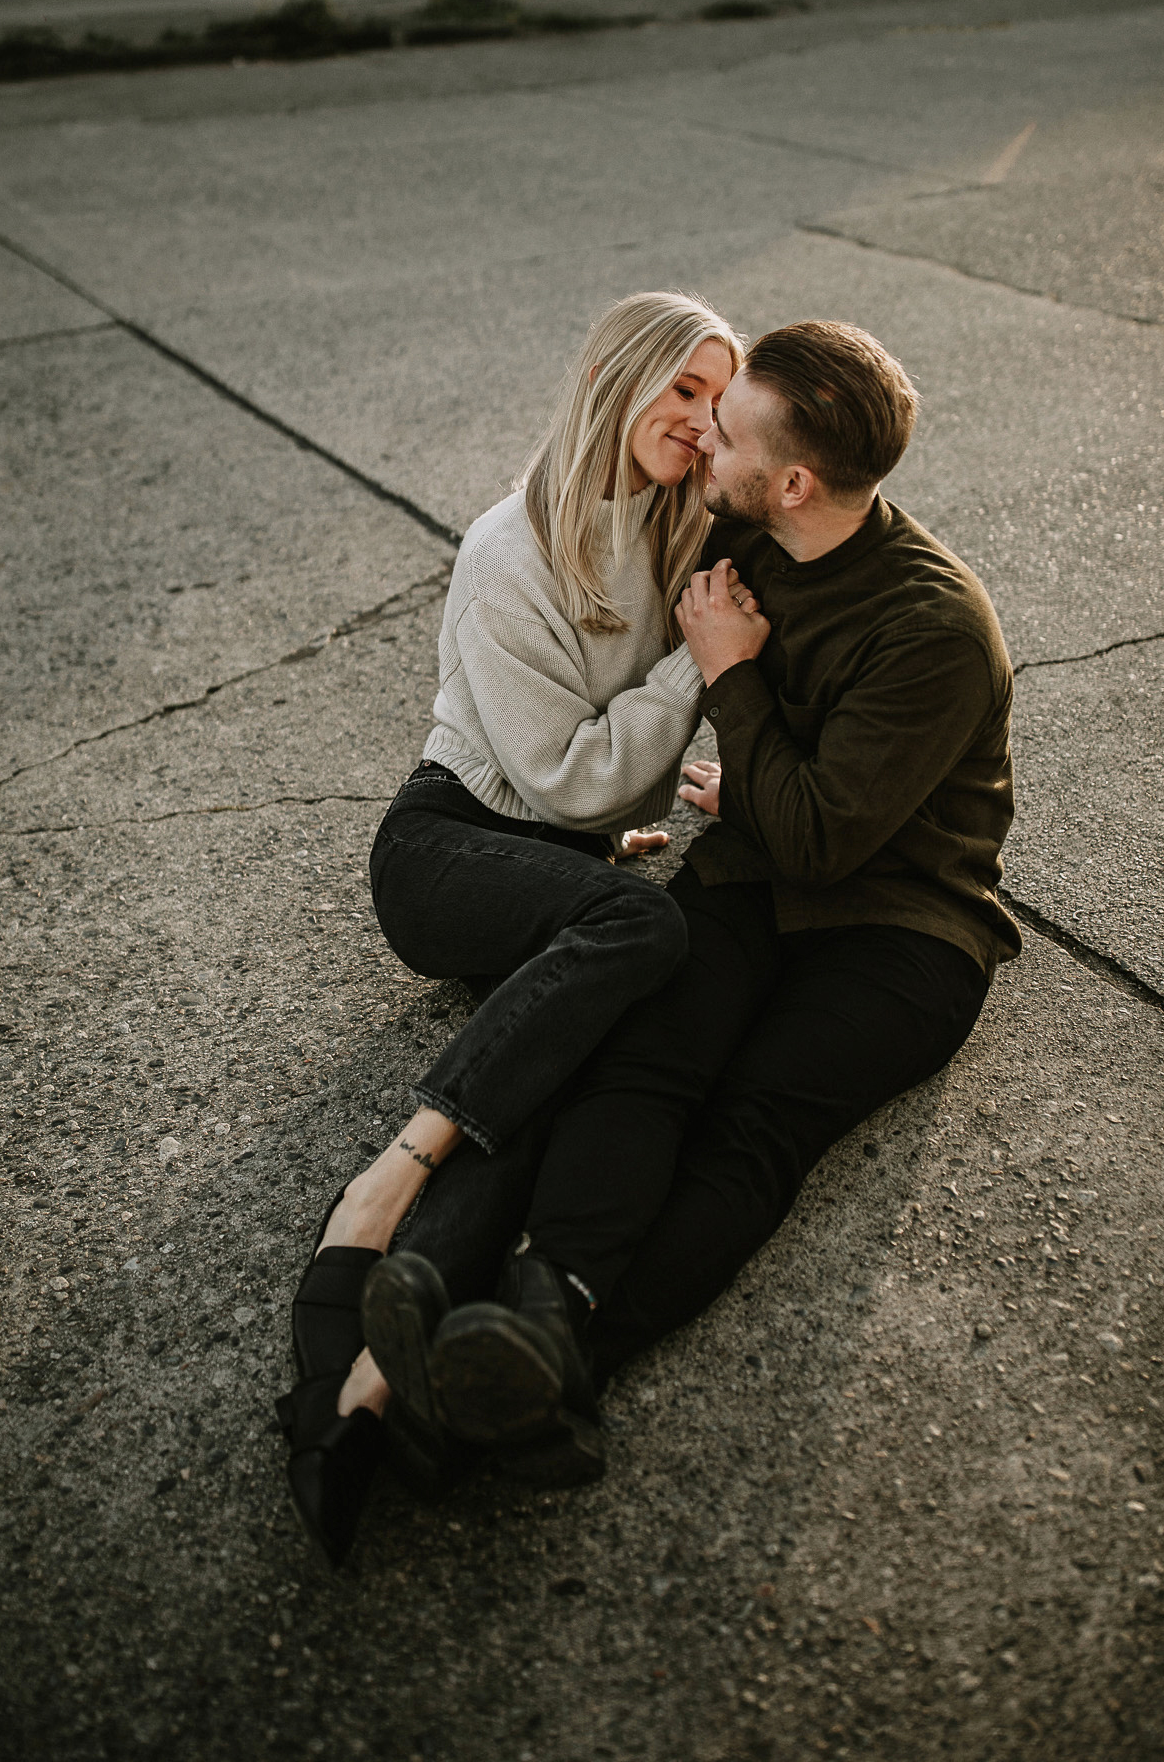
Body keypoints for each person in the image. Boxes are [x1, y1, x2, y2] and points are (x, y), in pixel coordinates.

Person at [364, 319, 1021, 1490]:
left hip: (904, 928)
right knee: (645, 1060)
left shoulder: (936, 629)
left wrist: (730, 677)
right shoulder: (748, 525)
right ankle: (528, 1299)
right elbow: (607, 498)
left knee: (751, 1119)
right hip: (755, 863)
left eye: (729, 432)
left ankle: (559, 1355)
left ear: (795, 478)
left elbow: (825, 841)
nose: (707, 443)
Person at [276, 290, 748, 1562]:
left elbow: (594, 792)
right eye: (683, 390)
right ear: (611, 374)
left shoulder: (679, 519)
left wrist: (606, 833)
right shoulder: (510, 550)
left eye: (721, 398)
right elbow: (563, 775)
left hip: (552, 853)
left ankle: (362, 1375)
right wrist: (698, 665)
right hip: (441, 851)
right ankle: (396, 1170)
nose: (703, 423)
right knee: (646, 941)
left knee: (565, 1058)